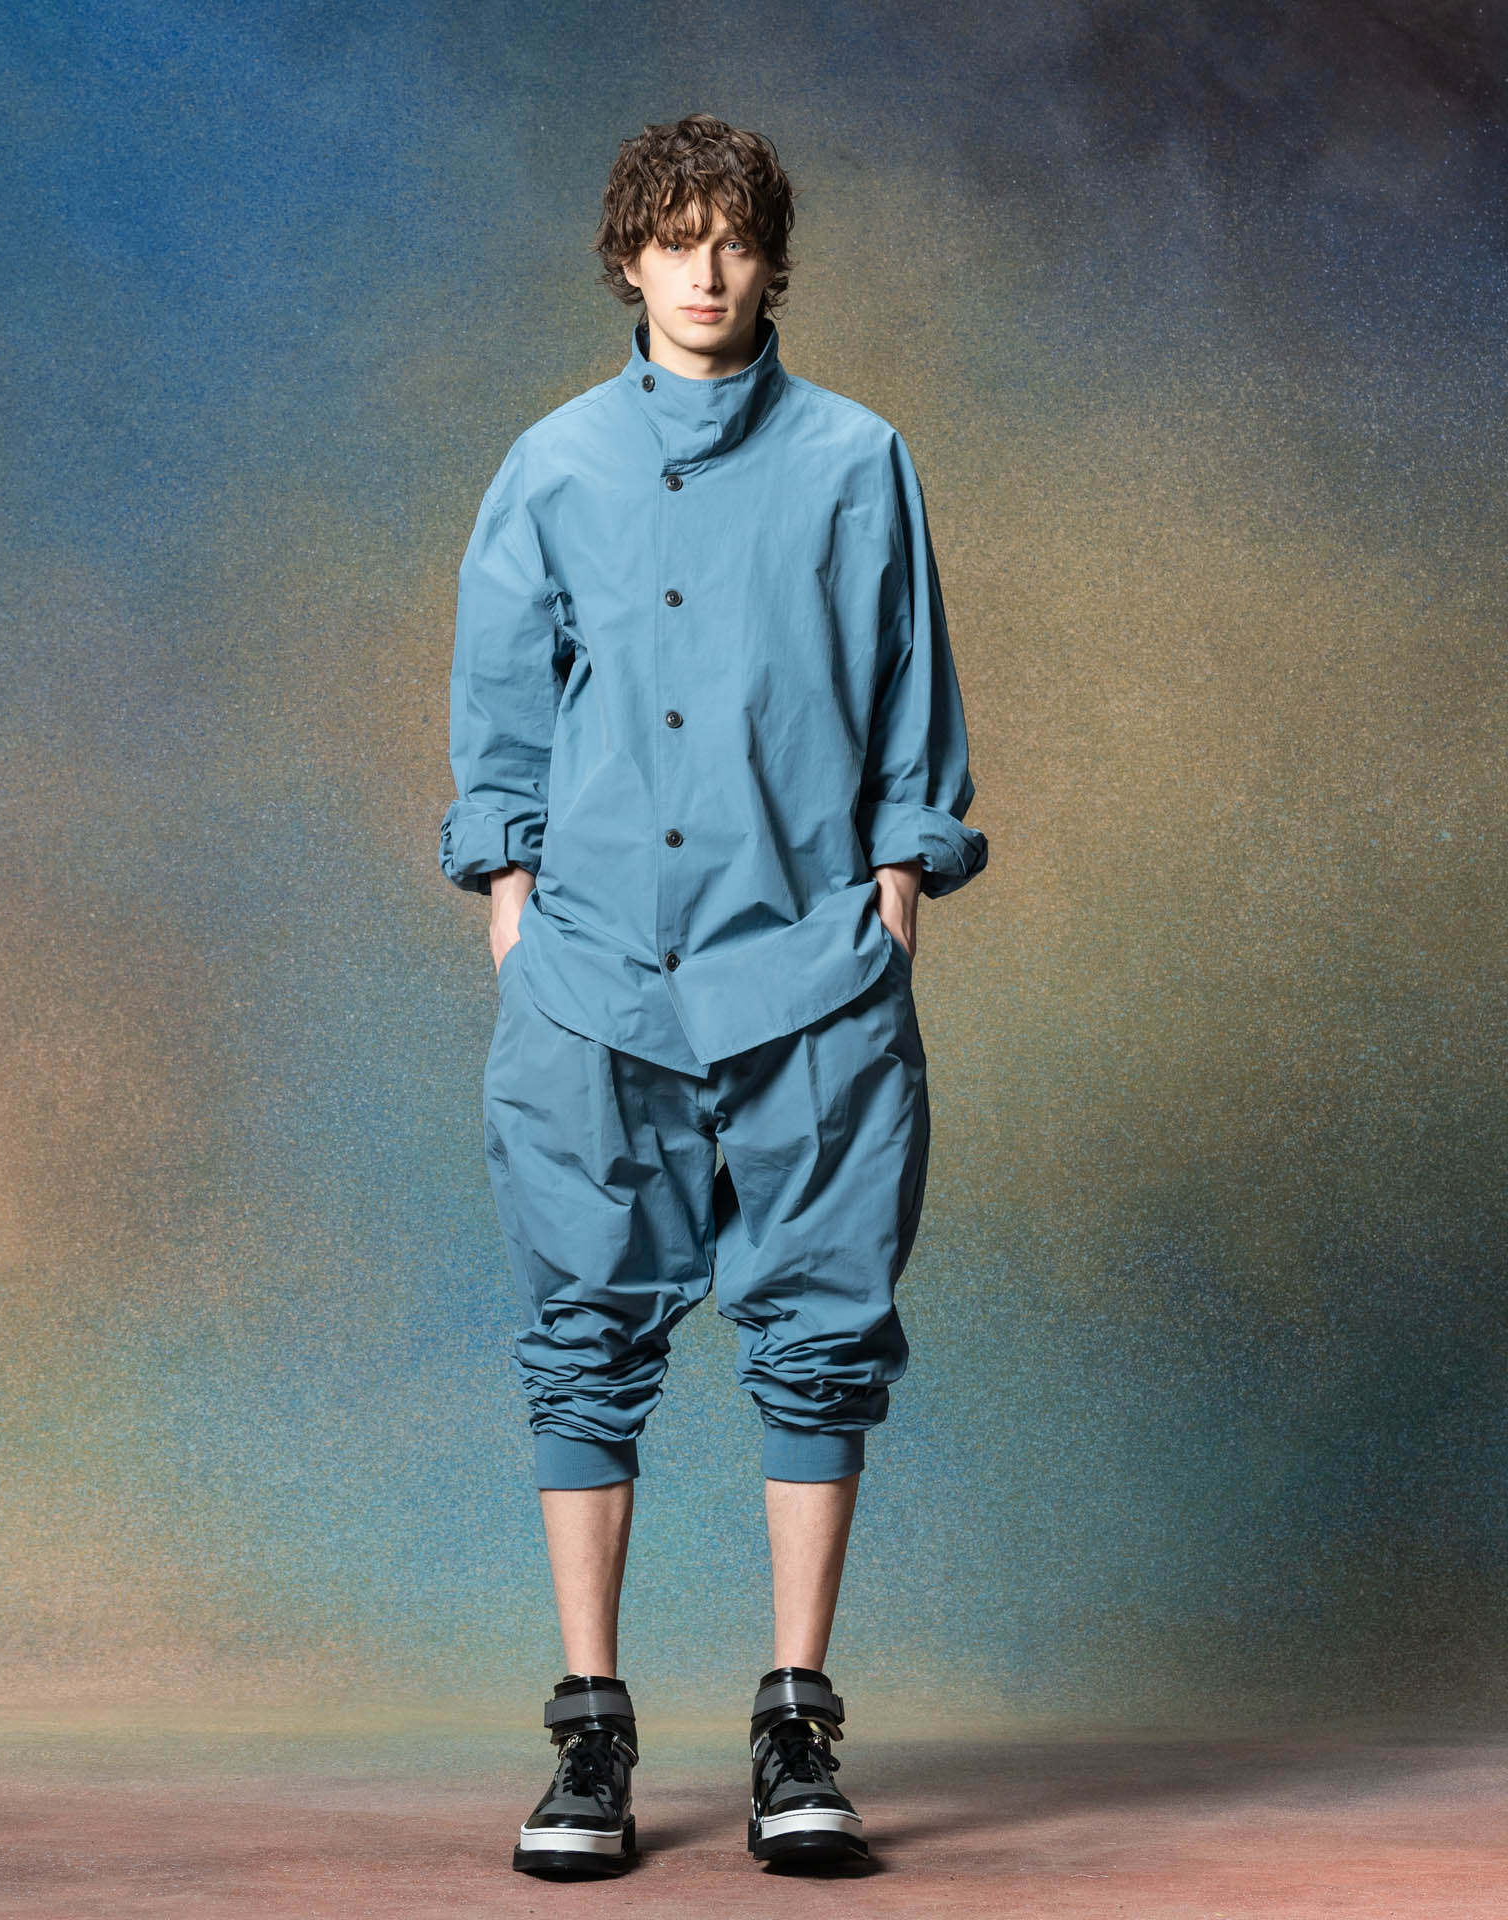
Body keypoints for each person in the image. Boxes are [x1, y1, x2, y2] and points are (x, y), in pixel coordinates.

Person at [439, 111, 987, 1878]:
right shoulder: (552, 466)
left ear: (773, 260)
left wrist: (896, 891)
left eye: (734, 238)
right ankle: (589, 1732)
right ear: (627, 257)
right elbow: (502, 704)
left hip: (809, 970)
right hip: (594, 975)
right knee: (581, 1330)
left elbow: (909, 690)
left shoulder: (857, 460)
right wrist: (512, 904)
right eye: (674, 240)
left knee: (822, 1328)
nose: (705, 270)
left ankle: (796, 1721)